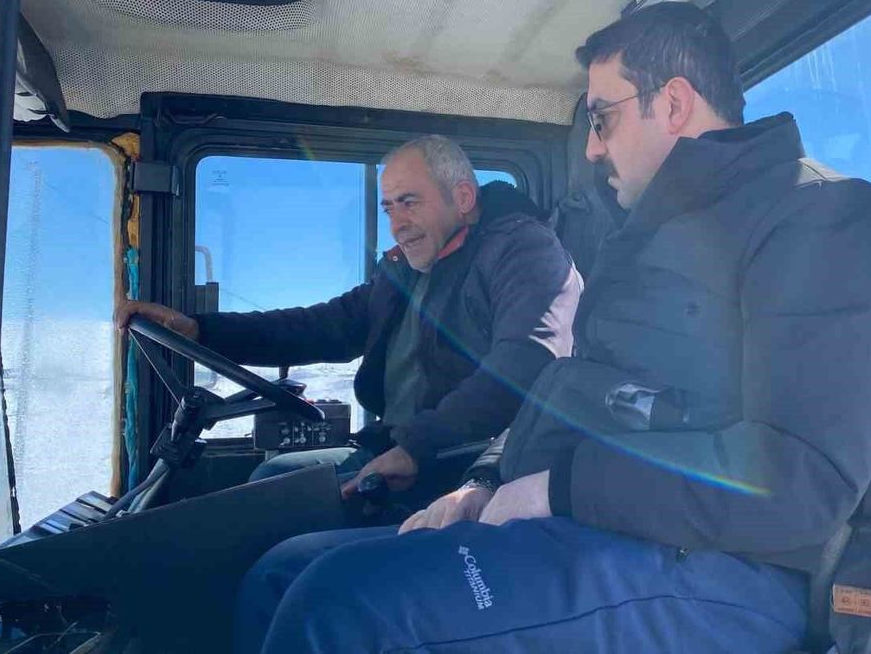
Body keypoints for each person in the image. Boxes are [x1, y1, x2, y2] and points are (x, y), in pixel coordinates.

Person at [234, 3, 871, 653]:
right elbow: (569, 389)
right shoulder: (642, 239)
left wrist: (559, 489)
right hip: (607, 525)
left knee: (337, 604)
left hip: (728, 568)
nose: (591, 147)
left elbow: (800, 481)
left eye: (602, 118)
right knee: (285, 572)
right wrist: (486, 483)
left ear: (672, 104)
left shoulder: (813, 216)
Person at [116, 134, 582, 498]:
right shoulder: (403, 272)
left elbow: (526, 362)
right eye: (389, 208)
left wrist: (417, 448)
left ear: (461, 197)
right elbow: (318, 326)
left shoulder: (521, 250)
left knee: (273, 505)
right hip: (395, 446)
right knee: (270, 480)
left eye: (410, 202)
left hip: (462, 465)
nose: (397, 223)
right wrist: (200, 330)